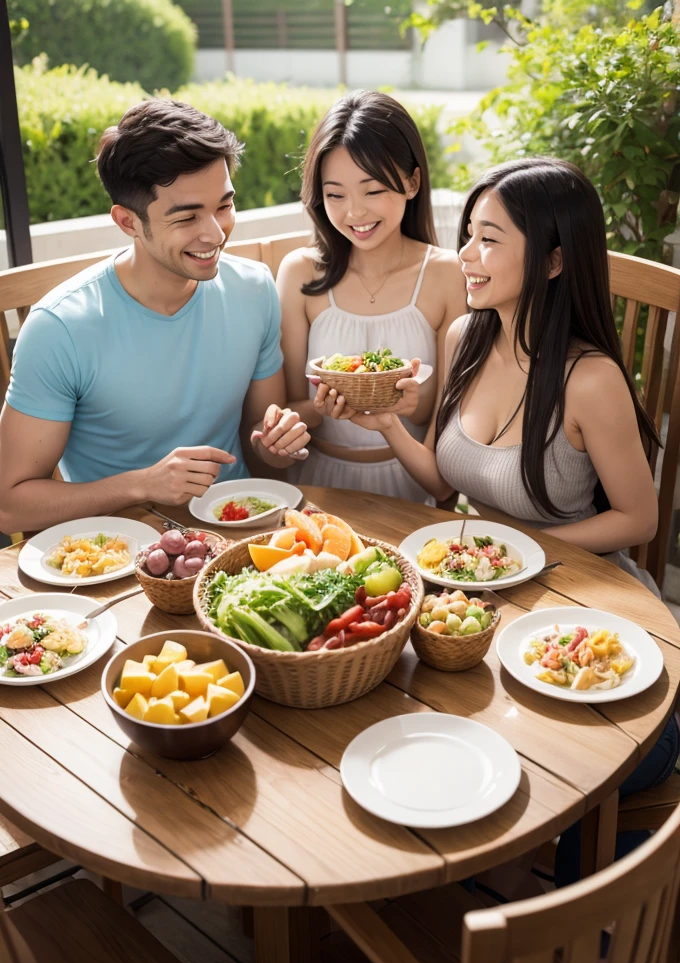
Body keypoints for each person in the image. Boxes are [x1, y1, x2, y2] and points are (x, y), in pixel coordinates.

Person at [328, 156, 678, 881]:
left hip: (586, 600)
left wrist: (522, 551)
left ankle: (584, 926)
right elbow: (443, 478)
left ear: (552, 261)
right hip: (484, 601)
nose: (465, 256)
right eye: (467, 235)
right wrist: (388, 422)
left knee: (585, 762)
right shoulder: (464, 338)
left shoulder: (590, 379)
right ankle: (428, 882)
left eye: (488, 240)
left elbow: (638, 517)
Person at [0, 99, 310, 536]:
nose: (216, 234)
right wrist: (144, 483)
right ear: (128, 222)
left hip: (238, 532)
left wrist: (277, 444)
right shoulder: (60, 328)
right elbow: (10, 505)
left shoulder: (254, 287)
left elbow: (260, 443)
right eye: (187, 217)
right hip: (117, 551)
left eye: (224, 205)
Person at [277, 90, 467, 502]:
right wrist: (322, 407)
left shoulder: (446, 274)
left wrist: (402, 406)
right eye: (336, 194)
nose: (355, 213)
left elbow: (444, 424)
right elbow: (291, 409)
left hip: (411, 489)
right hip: (317, 488)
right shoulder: (300, 272)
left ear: (412, 182)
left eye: (373, 190)